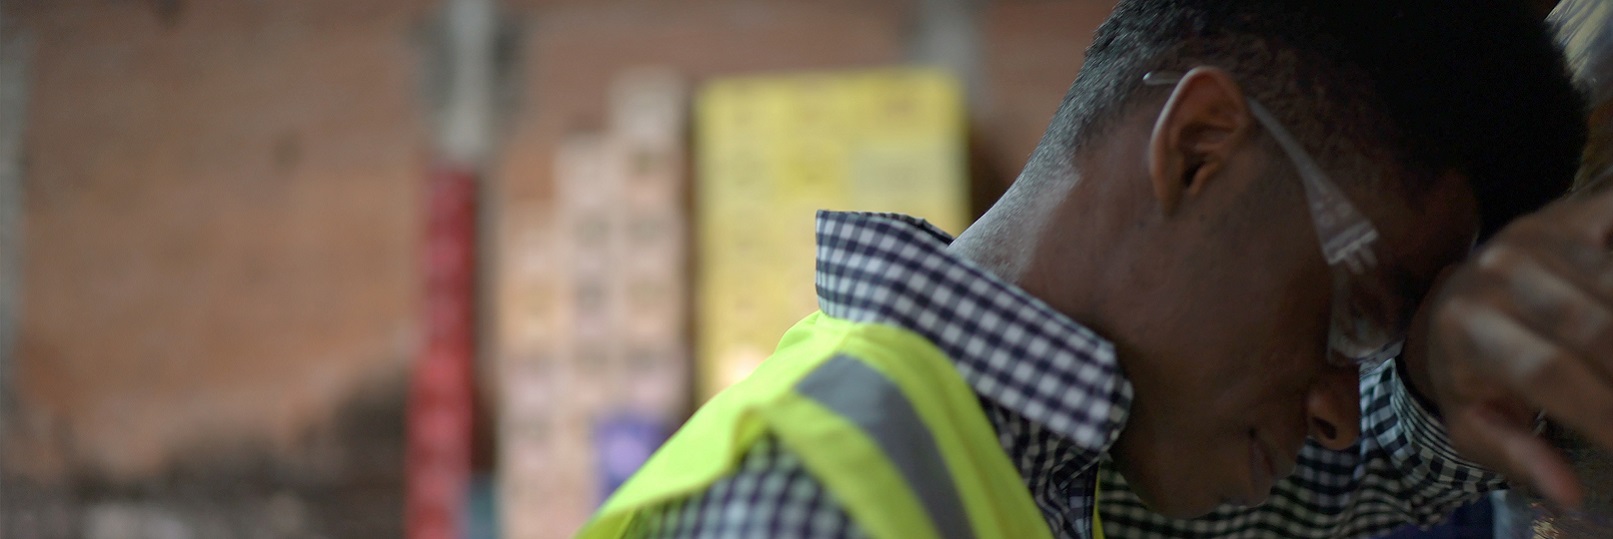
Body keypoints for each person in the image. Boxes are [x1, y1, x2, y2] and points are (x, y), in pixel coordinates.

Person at [578, 1, 1604, 538]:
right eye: (1353, 320)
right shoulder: (812, 506)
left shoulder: (1062, 469)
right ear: (1198, 149)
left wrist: (1433, 360)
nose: (1336, 408)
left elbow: (1363, 467)